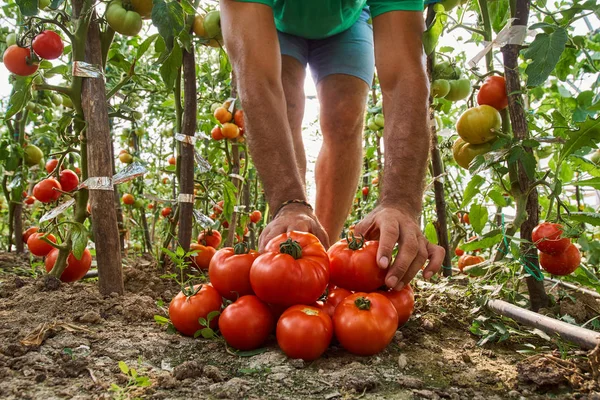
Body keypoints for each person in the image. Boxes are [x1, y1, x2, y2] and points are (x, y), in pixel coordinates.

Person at [220, 0, 445, 291]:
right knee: (286, 107)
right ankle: (296, 231)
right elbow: (256, 79)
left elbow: (405, 75)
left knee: (345, 116)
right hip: (273, 20)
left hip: (348, 22)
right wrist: (289, 203)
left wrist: (401, 202)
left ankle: (322, 258)